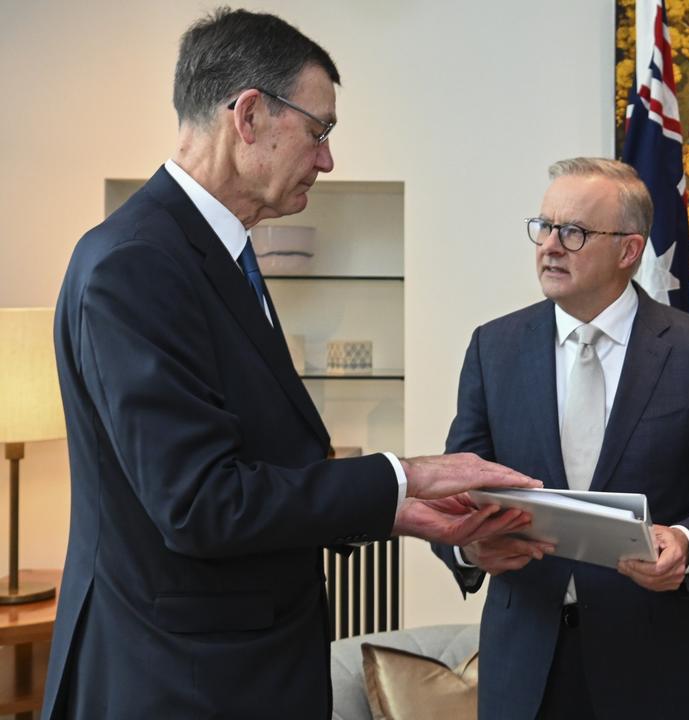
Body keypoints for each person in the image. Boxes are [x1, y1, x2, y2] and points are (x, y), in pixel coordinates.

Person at [43, 9, 540, 719]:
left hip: (233, 671)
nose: (328, 158)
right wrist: (410, 474)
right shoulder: (137, 265)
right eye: (321, 130)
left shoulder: (212, 252)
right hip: (179, 683)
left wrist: (400, 511)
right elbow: (201, 504)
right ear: (249, 116)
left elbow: (262, 461)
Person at [432, 157, 689, 719]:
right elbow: (453, 491)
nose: (549, 246)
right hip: (525, 674)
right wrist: (467, 547)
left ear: (628, 251)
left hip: (654, 672)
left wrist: (687, 546)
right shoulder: (493, 348)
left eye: (574, 232)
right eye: (544, 227)